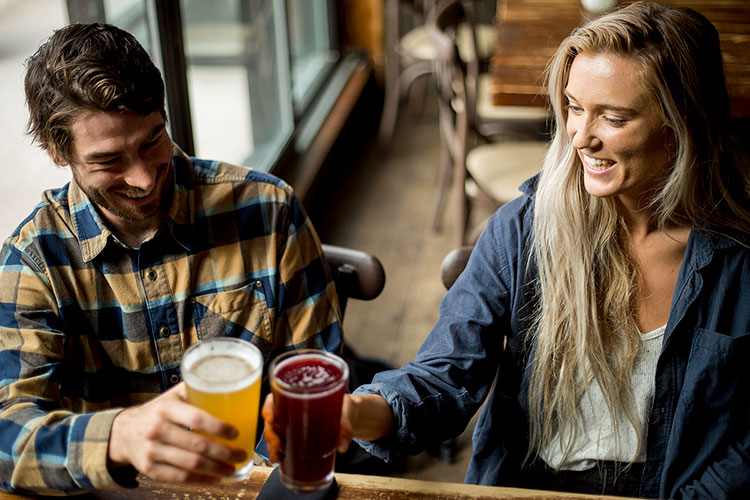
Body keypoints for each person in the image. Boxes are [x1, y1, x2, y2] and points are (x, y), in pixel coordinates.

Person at [263, 2, 750, 498]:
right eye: (575, 107)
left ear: (681, 124)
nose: (580, 137)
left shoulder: (739, 255)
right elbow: (444, 379)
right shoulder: (524, 228)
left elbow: (744, 447)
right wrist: (357, 413)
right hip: (527, 487)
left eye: (614, 118)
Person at [0, 23, 343, 494]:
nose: (142, 178)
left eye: (152, 140)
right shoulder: (33, 260)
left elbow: (312, 387)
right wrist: (120, 437)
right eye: (108, 160)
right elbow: (5, 433)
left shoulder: (268, 210)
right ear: (58, 152)